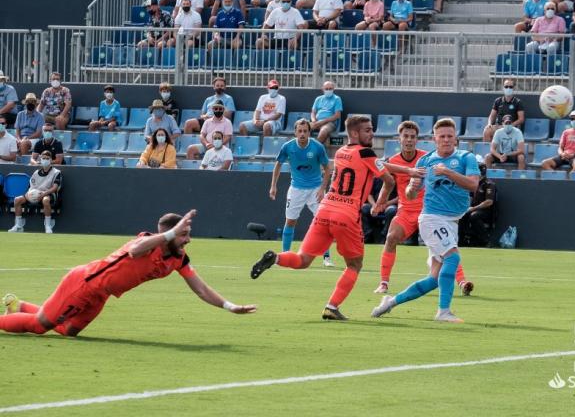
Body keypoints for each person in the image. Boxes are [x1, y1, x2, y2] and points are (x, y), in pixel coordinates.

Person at [1, 210, 257, 337]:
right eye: (184, 234)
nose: (188, 240)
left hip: (101, 295)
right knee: (41, 326)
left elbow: (201, 289)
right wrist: (169, 234)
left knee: (68, 330)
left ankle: (20, 305)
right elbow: (135, 251)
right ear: (169, 234)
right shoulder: (148, 242)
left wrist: (229, 306)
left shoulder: (178, 259)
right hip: (85, 283)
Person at [251, 115, 395, 320]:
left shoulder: (341, 152)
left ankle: (276, 258)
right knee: (354, 265)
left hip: (325, 209)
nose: (372, 133)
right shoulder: (367, 153)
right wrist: (380, 203)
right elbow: (388, 181)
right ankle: (331, 307)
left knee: (303, 260)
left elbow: (375, 166)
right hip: (346, 214)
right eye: (368, 130)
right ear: (355, 133)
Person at [371, 118, 479, 323]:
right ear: (434, 139)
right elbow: (412, 193)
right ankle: (443, 311)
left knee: (434, 279)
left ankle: (389, 302)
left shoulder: (466, 157)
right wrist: (411, 188)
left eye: (450, 136)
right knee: (453, 258)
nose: (446, 140)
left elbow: (473, 186)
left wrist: (447, 171)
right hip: (431, 218)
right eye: (442, 137)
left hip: (452, 221)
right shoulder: (425, 161)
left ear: (456, 138)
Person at [269, 118, 334, 267]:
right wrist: (273, 186)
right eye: (300, 131)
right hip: (296, 189)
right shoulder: (288, 147)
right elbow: (278, 164)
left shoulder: (317, 147)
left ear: (309, 132)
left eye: (305, 131)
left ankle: (326, 257)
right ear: (295, 132)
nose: (303, 134)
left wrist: (322, 188)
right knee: (290, 221)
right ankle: (285, 255)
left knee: (324, 223)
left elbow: (327, 168)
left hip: (315, 189)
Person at [8, 150, 62, 234]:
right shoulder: (36, 172)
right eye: (43, 158)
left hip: (49, 194)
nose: (45, 160)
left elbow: (54, 188)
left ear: (51, 160)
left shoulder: (56, 172)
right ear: (40, 159)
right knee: (17, 200)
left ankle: (48, 225)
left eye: (47, 158)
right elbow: (31, 187)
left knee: (45, 200)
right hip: (35, 193)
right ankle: (18, 225)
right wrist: (28, 195)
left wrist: (43, 194)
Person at [459, 159, 497, 247]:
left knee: (474, 216)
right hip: (473, 208)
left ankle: (486, 241)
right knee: (461, 215)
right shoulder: (474, 183)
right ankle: (461, 241)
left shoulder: (489, 184)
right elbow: (470, 197)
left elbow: (489, 202)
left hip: (487, 211)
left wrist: (473, 208)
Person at [361, 176, 398, 243]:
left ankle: (385, 236)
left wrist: (386, 204)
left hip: (390, 205)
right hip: (375, 205)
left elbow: (399, 197)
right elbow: (369, 195)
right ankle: (368, 234)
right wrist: (374, 205)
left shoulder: (396, 179)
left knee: (391, 211)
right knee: (363, 208)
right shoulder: (375, 179)